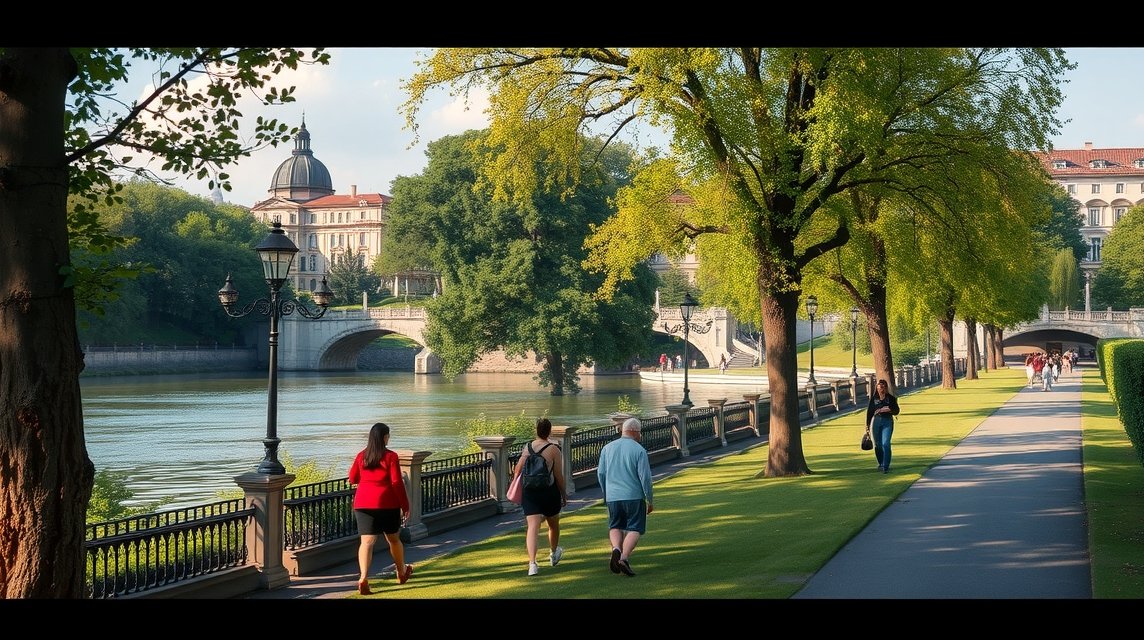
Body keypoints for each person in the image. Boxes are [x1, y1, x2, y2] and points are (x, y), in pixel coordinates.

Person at [349, 422, 413, 595]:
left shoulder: (362, 456)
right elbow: (396, 482)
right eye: (388, 435)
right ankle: (401, 572)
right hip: (387, 503)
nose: (389, 438)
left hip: (363, 503)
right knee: (394, 540)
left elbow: (352, 478)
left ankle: (363, 577)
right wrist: (405, 505)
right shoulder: (391, 456)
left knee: (366, 543)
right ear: (384, 437)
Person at [597, 417, 654, 577]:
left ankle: (616, 548)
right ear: (635, 432)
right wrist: (649, 499)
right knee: (635, 528)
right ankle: (624, 557)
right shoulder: (639, 450)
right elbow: (645, 478)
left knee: (615, 525)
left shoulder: (607, 448)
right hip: (634, 495)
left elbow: (601, 473)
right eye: (640, 432)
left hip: (613, 496)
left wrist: (606, 493)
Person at [512, 417, 567, 576]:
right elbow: (558, 476)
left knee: (532, 528)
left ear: (536, 431)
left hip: (530, 492)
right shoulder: (554, 449)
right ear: (549, 431)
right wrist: (563, 494)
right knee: (553, 524)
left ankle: (532, 564)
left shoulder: (527, 447)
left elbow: (517, 470)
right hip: (549, 491)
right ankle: (554, 553)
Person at [865, 379, 901, 474]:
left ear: (886, 388)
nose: (882, 389)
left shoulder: (891, 398)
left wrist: (888, 409)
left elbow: (896, 410)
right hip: (876, 421)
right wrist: (867, 426)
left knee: (885, 443)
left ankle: (886, 465)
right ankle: (881, 463)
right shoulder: (874, 399)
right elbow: (869, 413)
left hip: (887, 421)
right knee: (877, 444)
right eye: (880, 387)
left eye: (883, 387)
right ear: (877, 388)